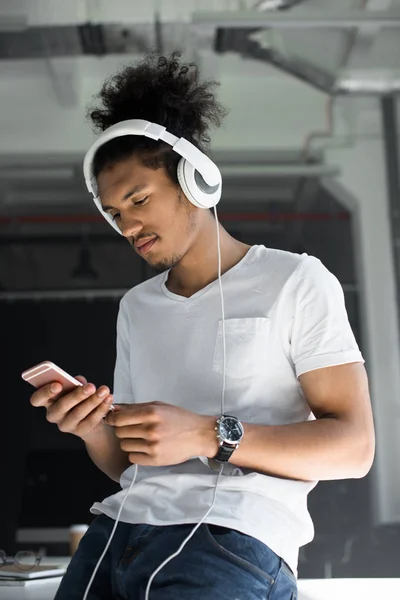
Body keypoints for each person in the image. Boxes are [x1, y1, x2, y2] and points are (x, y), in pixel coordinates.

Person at [30, 53, 375, 600]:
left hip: (231, 539)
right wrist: (92, 426)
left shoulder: (296, 280)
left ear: (196, 180)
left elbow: (354, 448)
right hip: (114, 537)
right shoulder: (136, 307)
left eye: (139, 199)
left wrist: (209, 433)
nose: (129, 225)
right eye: (116, 213)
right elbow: (131, 464)